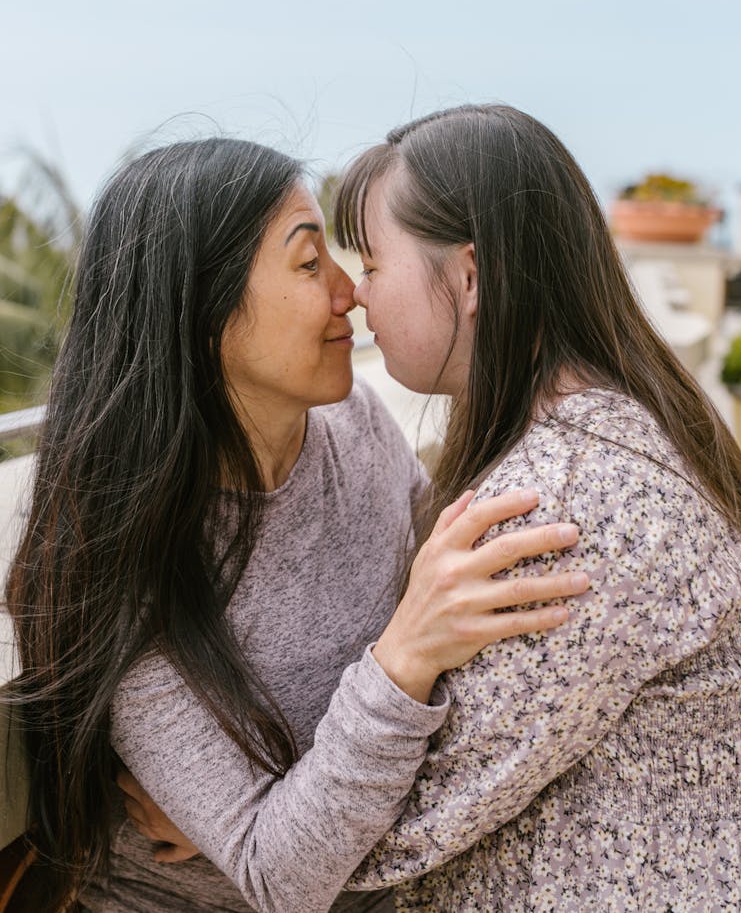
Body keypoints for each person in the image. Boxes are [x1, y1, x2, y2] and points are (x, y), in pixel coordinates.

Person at [4, 137, 587, 913]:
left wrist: (272, 805)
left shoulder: (355, 423)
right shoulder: (121, 550)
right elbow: (282, 875)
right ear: (200, 309)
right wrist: (401, 654)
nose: (351, 291)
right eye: (311, 265)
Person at [325, 103, 741, 910]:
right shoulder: (608, 431)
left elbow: (389, 827)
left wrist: (226, 812)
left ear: (472, 277)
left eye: (374, 264)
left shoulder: (570, 505)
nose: (353, 294)